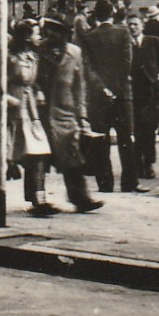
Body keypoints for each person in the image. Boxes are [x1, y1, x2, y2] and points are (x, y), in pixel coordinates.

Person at [0, 20, 54, 216]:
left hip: (30, 113)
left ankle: (39, 200)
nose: (40, 38)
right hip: (9, 113)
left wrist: (37, 91)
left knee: (39, 153)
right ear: (27, 36)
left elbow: (30, 81)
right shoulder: (8, 58)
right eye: (37, 34)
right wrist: (4, 95)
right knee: (2, 156)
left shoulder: (32, 57)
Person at [37, 18, 105, 213]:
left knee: (72, 154)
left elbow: (80, 86)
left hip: (65, 111)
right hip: (40, 111)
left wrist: (82, 116)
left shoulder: (74, 52)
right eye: (48, 31)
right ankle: (38, 200)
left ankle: (80, 198)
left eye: (56, 31)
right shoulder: (38, 51)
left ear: (64, 34)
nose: (51, 35)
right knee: (38, 158)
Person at [77, 1, 143, 193]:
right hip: (122, 94)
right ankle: (129, 182)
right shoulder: (123, 33)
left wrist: (102, 88)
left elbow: (87, 68)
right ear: (113, 13)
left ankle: (105, 184)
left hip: (98, 98)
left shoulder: (89, 37)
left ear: (95, 16)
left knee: (101, 140)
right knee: (126, 139)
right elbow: (126, 63)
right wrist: (115, 88)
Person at [126, 14, 159, 180]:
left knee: (149, 130)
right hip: (133, 92)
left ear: (142, 26)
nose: (132, 27)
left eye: (135, 24)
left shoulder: (153, 41)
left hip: (151, 92)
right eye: (129, 24)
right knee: (136, 130)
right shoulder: (126, 44)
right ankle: (138, 165)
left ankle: (149, 163)